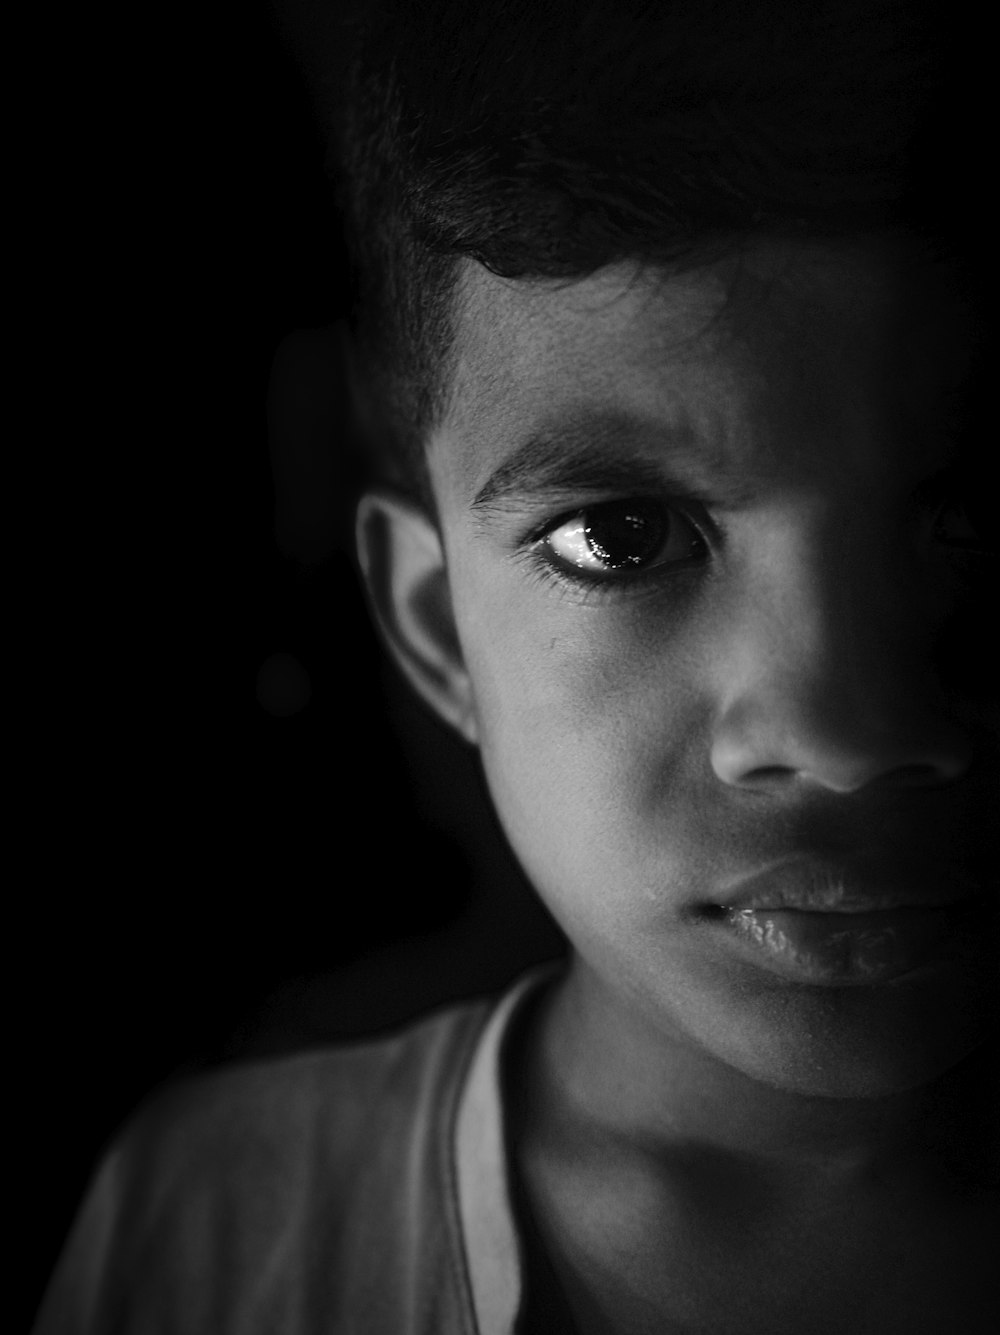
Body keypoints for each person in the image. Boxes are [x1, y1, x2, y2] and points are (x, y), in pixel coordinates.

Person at [35, 0, 998, 1331]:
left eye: (985, 524)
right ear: (434, 629)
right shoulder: (218, 1220)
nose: (845, 723)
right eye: (621, 537)